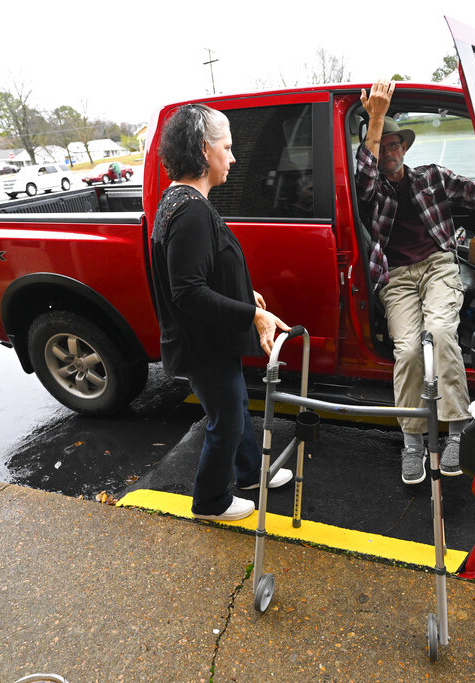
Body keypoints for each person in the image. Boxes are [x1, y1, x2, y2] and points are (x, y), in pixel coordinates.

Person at [150, 103, 293, 521]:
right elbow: (189, 292)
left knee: (233, 410)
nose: (233, 158)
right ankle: (210, 502)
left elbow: (199, 268)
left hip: (206, 338)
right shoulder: (191, 210)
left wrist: (241, 290)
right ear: (203, 148)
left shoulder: (178, 199)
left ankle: (251, 474)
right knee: (226, 419)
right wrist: (253, 315)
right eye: (227, 148)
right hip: (203, 343)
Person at [356, 79, 475, 485]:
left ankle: (454, 431)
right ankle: (413, 442)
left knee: (441, 333)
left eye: (396, 144)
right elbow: (363, 175)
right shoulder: (372, 188)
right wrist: (375, 120)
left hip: (437, 267)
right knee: (410, 350)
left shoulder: (432, 177)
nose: (390, 151)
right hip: (395, 278)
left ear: (406, 148)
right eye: (383, 146)